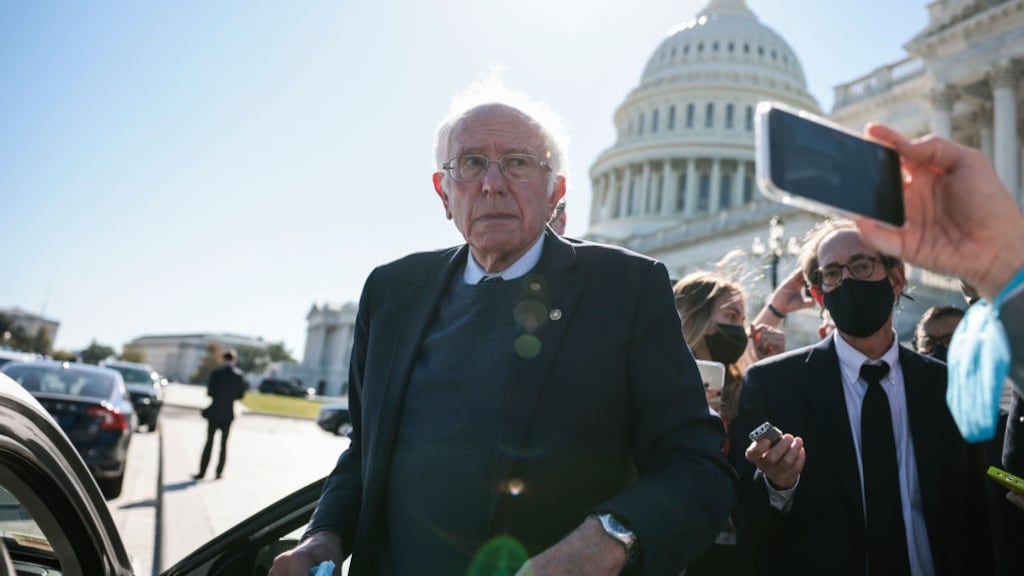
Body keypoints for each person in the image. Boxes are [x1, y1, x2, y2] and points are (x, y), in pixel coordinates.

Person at [270, 83, 735, 576]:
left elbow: (698, 469)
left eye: (517, 162)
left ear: (555, 190)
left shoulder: (625, 289)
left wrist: (605, 541)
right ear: (443, 192)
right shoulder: (391, 292)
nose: (492, 183)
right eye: (470, 163)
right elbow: (364, 452)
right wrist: (321, 540)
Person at [731, 218, 992, 576]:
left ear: (896, 279)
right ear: (819, 294)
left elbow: (978, 514)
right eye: (832, 273)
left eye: (862, 265)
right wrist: (779, 484)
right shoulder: (774, 385)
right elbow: (747, 520)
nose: (847, 280)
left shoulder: (948, 385)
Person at [671, 269, 801, 576]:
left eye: (741, 320)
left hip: (734, 553)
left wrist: (771, 366)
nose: (738, 330)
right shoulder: (659, 382)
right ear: (696, 318)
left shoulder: (743, 392)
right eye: (730, 316)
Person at [193, 349, 246, 481]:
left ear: (223, 359)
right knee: (224, 445)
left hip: (214, 411)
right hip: (228, 413)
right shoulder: (238, 376)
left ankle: (202, 471)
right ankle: (219, 472)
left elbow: (210, 392)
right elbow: (240, 395)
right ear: (234, 360)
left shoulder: (217, 374)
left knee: (209, 442)